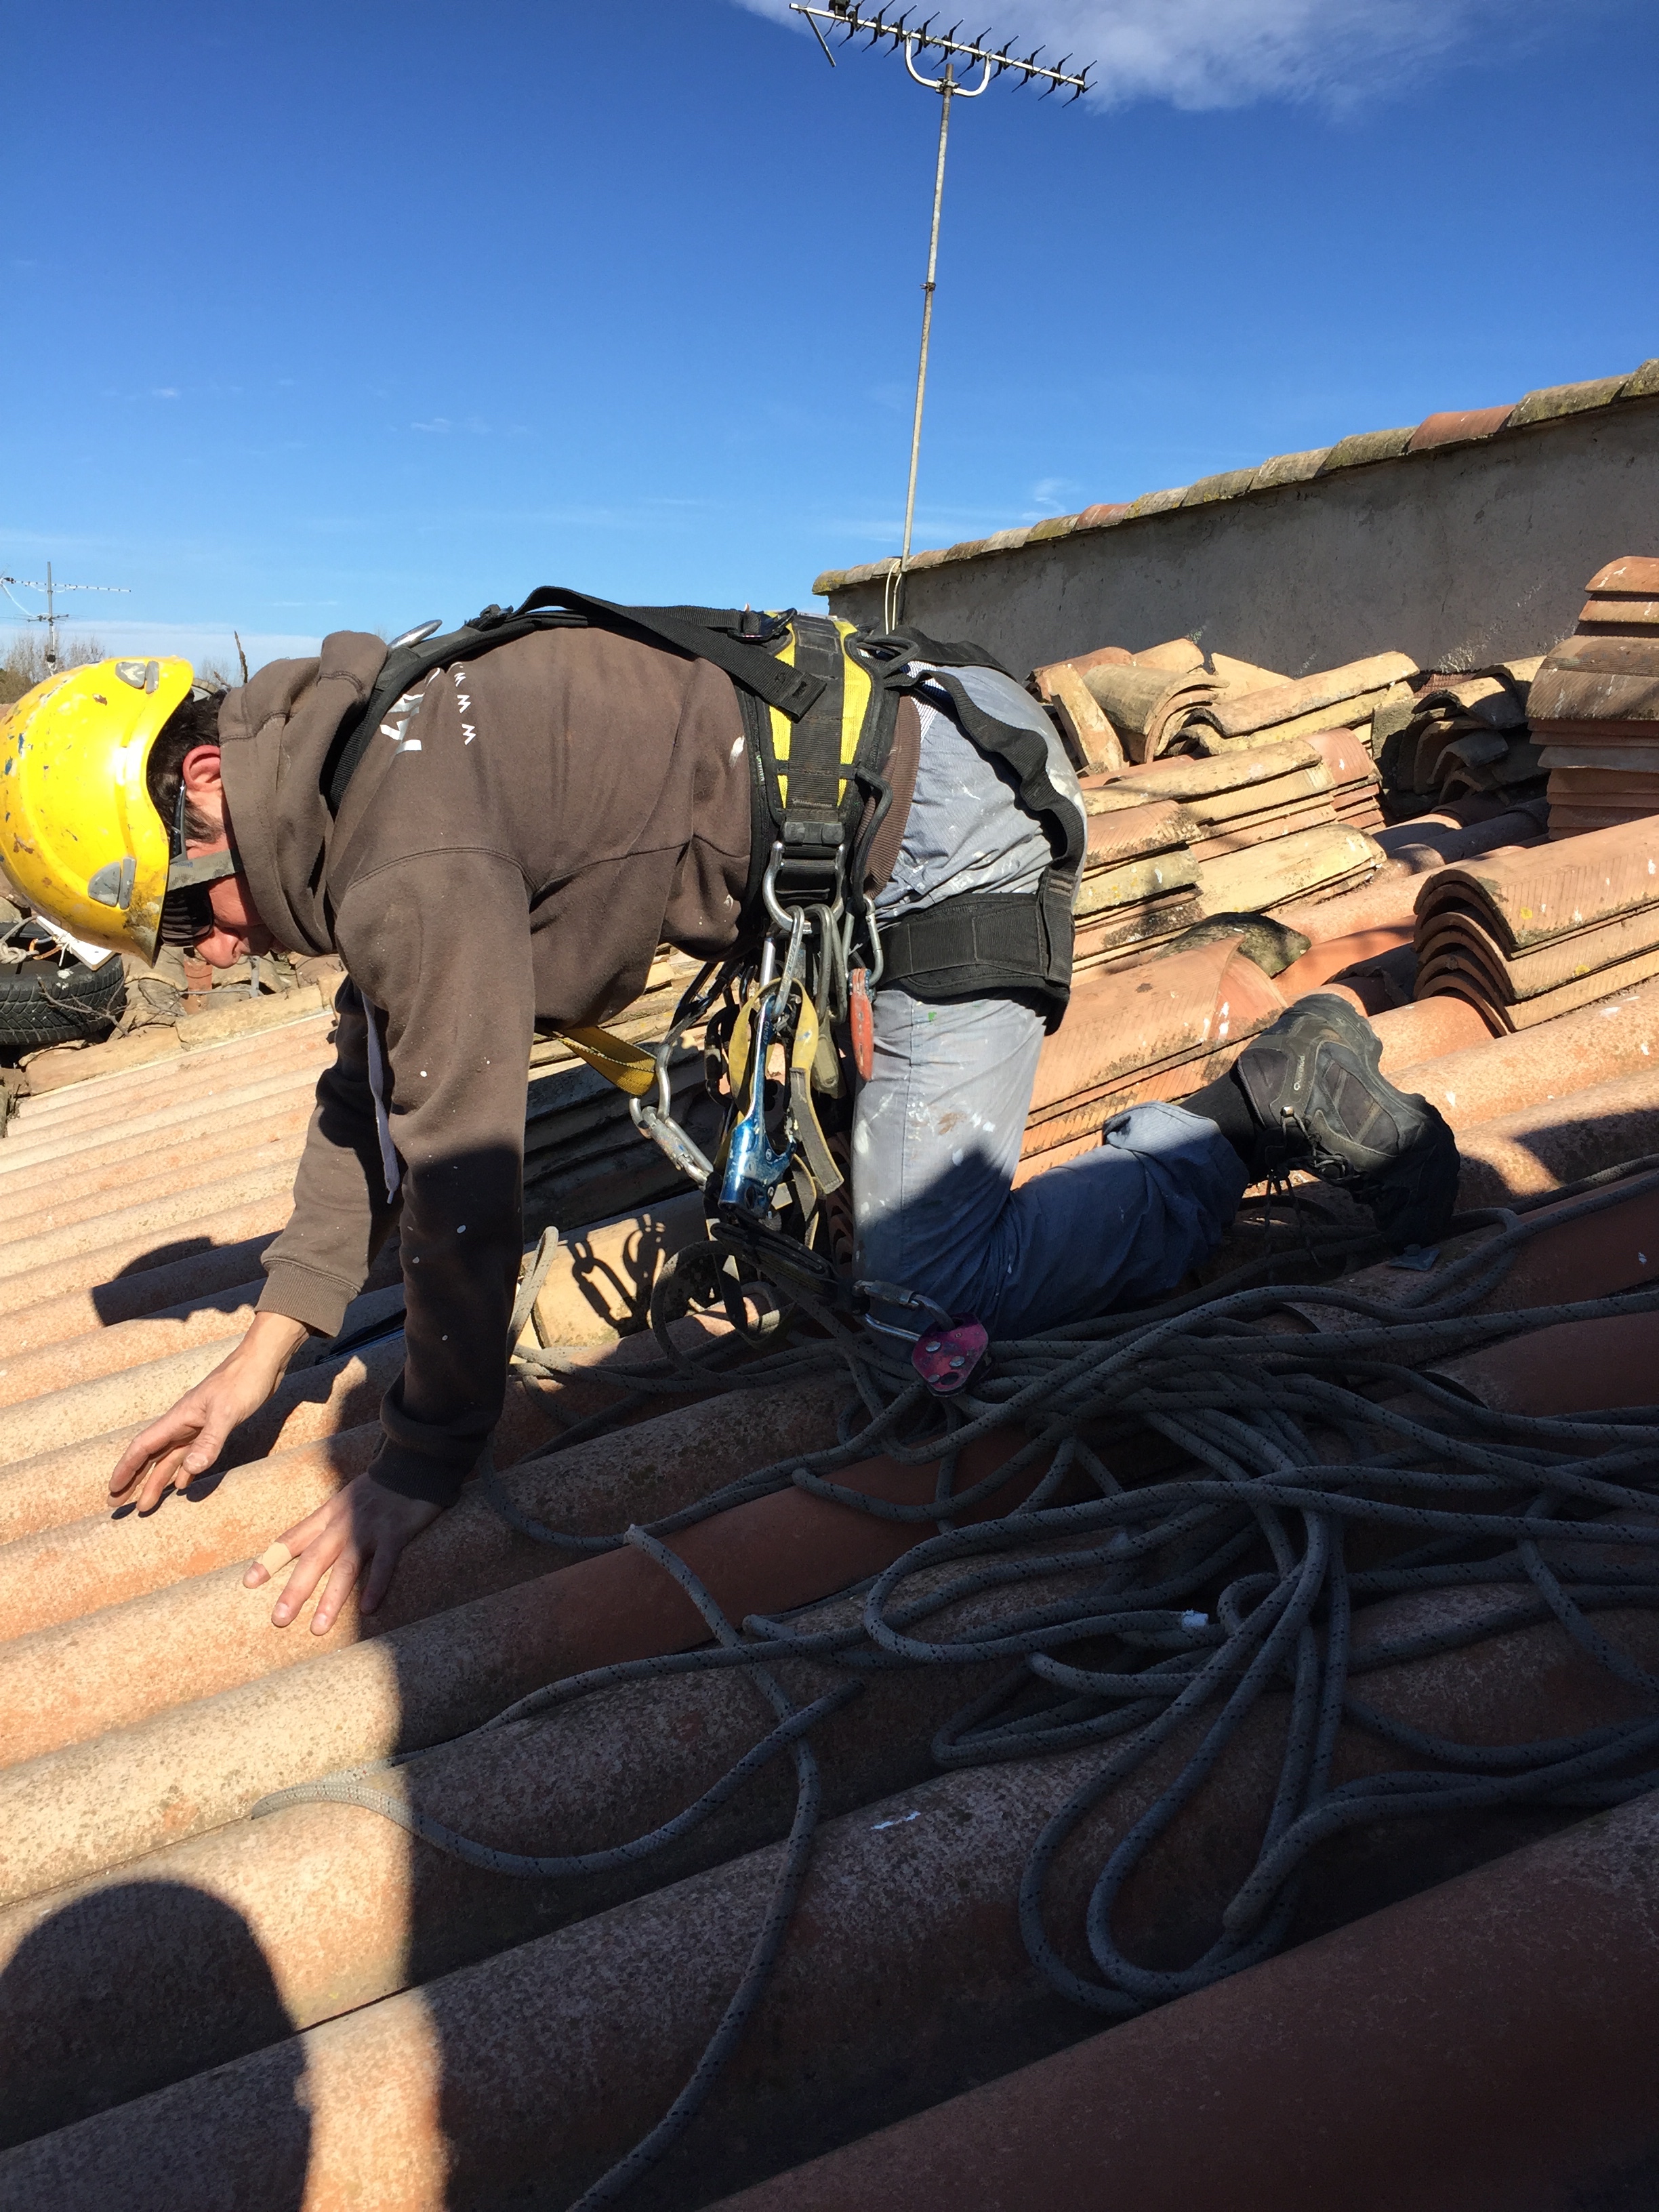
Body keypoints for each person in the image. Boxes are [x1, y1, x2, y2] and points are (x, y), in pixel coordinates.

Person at [0, 613, 1457, 1633]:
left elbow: (459, 1174)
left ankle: (1256, 1110)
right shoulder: (351, 761)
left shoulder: (401, 848)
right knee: (838, 1227)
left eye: (183, 916)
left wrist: (420, 1460)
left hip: (955, 833)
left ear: (206, 785)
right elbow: (370, 1081)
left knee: (924, 1293)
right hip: (880, 794)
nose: (206, 956)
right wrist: (263, 1357)